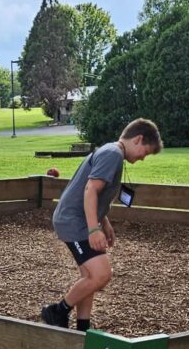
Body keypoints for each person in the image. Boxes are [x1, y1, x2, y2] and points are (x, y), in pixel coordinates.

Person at [41, 118, 163, 331]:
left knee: (90, 277)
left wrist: (103, 222)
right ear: (138, 139)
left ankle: (83, 327)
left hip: (77, 218)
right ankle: (57, 311)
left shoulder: (111, 152)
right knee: (101, 275)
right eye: (146, 152)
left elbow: (96, 193)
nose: (143, 158)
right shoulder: (112, 155)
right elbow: (90, 190)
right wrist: (93, 229)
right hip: (74, 221)